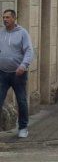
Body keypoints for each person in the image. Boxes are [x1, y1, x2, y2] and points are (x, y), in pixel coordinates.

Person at [0, 10, 34, 138]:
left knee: (21, 100)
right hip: (2, 73)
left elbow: (29, 51)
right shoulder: (1, 33)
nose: (5, 19)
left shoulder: (22, 33)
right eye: (3, 17)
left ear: (14, 18)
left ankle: (23, 128)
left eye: (7, 17)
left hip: (18, 74)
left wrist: (23, 65)